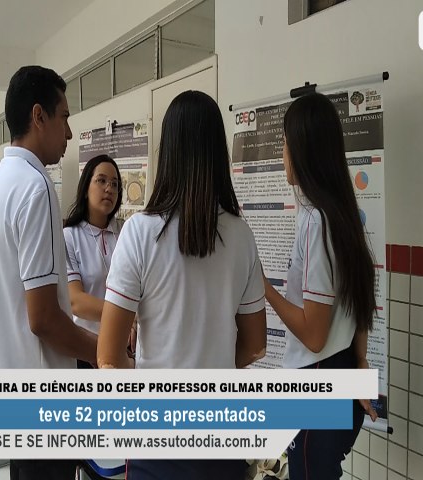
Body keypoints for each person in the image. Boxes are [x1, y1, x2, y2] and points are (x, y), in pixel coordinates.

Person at [97, 90, 267, 480]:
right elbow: (256, 345)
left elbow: (108, 357)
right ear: (217, 152)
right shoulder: (241, 235)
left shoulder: (140, 232)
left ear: (168, 151)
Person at [0, 65, 97, 480]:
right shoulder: (34, 187)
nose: (68, 133)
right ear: (38, 116)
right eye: (64, 117)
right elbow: (44, 319)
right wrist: (107, 355)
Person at [262, 93, 377, 479]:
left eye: (285, 142)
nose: (283, 153)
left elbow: (313, 334)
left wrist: (262, 286)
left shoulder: (316, 222)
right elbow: (361, 302)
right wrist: (360, 365)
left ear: (302, 150)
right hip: (345, 374)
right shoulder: (343, 215)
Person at [63, 155, 124, 368]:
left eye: (115, 184)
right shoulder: (69, 236)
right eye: (101, 180)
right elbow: (76, 301)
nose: (109, 188)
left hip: (124, 346)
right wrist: (127, 315)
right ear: (86, 186)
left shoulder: (126, 233)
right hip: (87, 347)